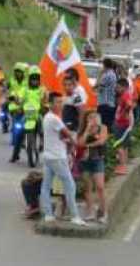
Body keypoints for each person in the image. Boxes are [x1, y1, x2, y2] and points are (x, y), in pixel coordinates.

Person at [40, 94, 86, 225]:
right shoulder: (55, 119)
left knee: (46, 186)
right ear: (50, 104)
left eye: (61, 102)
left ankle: (48, 214)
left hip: (48, 156)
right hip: (57, 157)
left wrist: (66, 140)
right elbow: (68, 134)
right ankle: (75, 216)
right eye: (57, 102)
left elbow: (59, 136)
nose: (60, 105)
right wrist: (74, 141)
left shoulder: (47, 117)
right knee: (70, 185)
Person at [78, 110, 109, 223]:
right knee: (88, 188)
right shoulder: (83, 129)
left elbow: (101, 141)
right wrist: (87, 130)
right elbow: (79, 143)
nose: (93, 119)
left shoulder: (103, 128)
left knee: (100, 187)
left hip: (97, 160)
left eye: (95, 117)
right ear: (86, 119)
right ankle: (90, 212)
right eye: (90, 117)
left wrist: (88, 146)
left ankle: (104, 212)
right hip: (85, 161)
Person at [11, 65, 46, 163]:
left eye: (36, 79)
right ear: (29, 79)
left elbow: (45, 99)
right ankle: (15, 155)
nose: (34, 81)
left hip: (37, 114)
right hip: (26, 115)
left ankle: (42, 142)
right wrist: (17, 100)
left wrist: (46, 104)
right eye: (32, 79)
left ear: (39, 79)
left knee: (42, 127)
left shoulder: (42, 90)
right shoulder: (25, 89)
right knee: (19, 133)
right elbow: (20, 97)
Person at [113, 78, 134, 176]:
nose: (117, 89)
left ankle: (122, 166)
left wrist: (123, 113)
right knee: (124, 146)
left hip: (121, 124)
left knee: (118, 145)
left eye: (118, 87)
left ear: (124, 87)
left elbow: (129, 105)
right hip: (125, 123)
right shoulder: (127, 94)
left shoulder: (125, 96)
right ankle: (123, 166)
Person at [4, 62, 28, 133]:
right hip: (12, 100)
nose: (18, 73)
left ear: (23, 72)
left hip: (23, 101)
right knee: (4, 106)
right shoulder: (11, 80)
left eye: (19, 72)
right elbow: (6, 87)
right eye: (16, 71)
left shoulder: (27, 81)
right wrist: (5, 91)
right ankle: (5, 123)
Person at [97, 58, 118, 133]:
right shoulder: (113, 74)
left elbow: (99, 87)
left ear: (105, 65)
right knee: (108, 125)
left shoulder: (106, 75)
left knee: (103, 125)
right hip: (111, 102)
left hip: (104, 103)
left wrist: (100, 75)